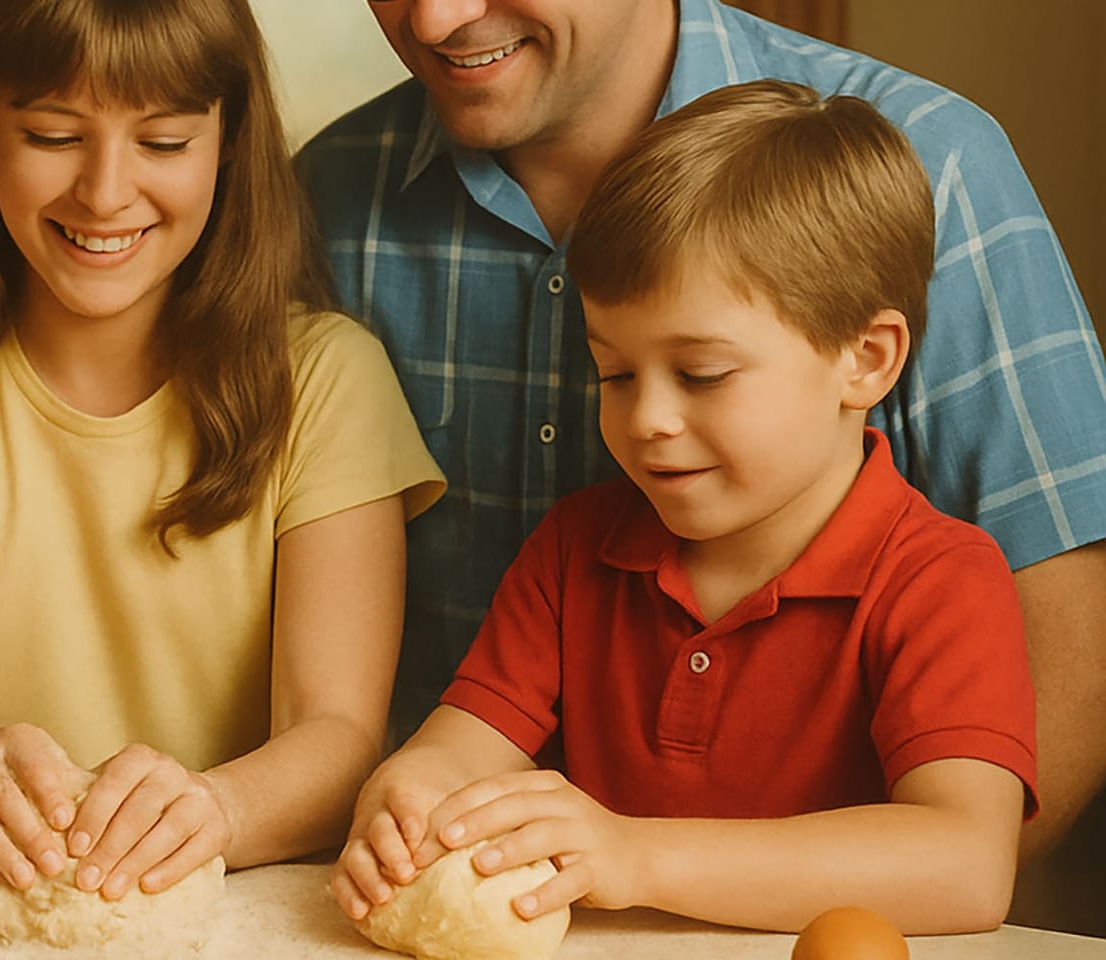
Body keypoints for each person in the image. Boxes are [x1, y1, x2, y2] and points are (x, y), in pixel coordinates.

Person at [296, 0, 1106, 858]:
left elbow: (971, 845)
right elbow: (448, 747)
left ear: (868, 359)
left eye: (704, 375)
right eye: (612, 375)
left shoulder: (939, 161)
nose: (435, 20)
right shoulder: (571, 551)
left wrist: (638, 862)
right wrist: (409, 800)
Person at [0, 0, 445, 902]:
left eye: (163, 143)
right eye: (54, 136)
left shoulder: (329, 380)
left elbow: (339, 735)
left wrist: (218, 809)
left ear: (229, 142)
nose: (103, 192)